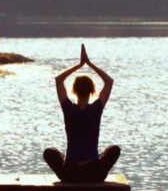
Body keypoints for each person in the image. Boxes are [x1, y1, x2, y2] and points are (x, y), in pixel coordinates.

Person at [43, 43, 121, 183]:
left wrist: (79, 65)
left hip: (70, 173)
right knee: (114, 149)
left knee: (49, 152)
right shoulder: (96, 109)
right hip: (94, 174)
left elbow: (59, 80)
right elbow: (109, 82)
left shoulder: (69, 108)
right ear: (92, 91)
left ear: (74, 91)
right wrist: (89, 64)